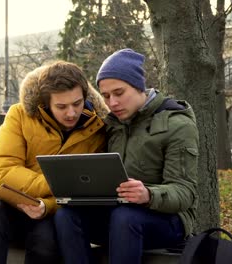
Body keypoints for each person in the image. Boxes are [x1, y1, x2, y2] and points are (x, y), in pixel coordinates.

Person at [54, 48, 199, 264]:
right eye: (106, 96)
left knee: (125, 218)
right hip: (118, 213)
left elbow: (185, 192)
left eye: (119, 93)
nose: (112, 103)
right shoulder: (113, 124)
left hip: (168, 220)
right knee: (66, 216)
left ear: (139, 86)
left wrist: (148, 194)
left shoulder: (177, 124)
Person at [0, 61, 108, 264]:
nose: (71, 113)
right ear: (46, 102)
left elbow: (87, 187)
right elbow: (5, 168)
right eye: (61, 106)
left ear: (85, 96)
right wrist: (56, 184)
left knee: (45, 241)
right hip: (7, 197)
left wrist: (46, 205)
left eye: (77, 103)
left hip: (51, 207)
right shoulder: (19, 114)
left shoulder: (97, 128)